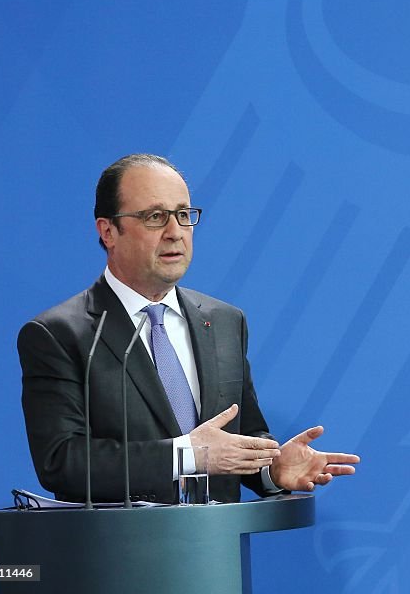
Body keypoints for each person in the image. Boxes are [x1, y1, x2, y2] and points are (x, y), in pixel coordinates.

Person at [18, 154, 359, 503]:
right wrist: (188, 455)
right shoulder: (60, 334)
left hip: (214, 551)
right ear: (108, 232)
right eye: (155, 217)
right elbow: (62, 462)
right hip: (116, 552)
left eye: (183, 215)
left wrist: (271, 471)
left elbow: (240, 440)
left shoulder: (225, 321)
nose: (175, 232)